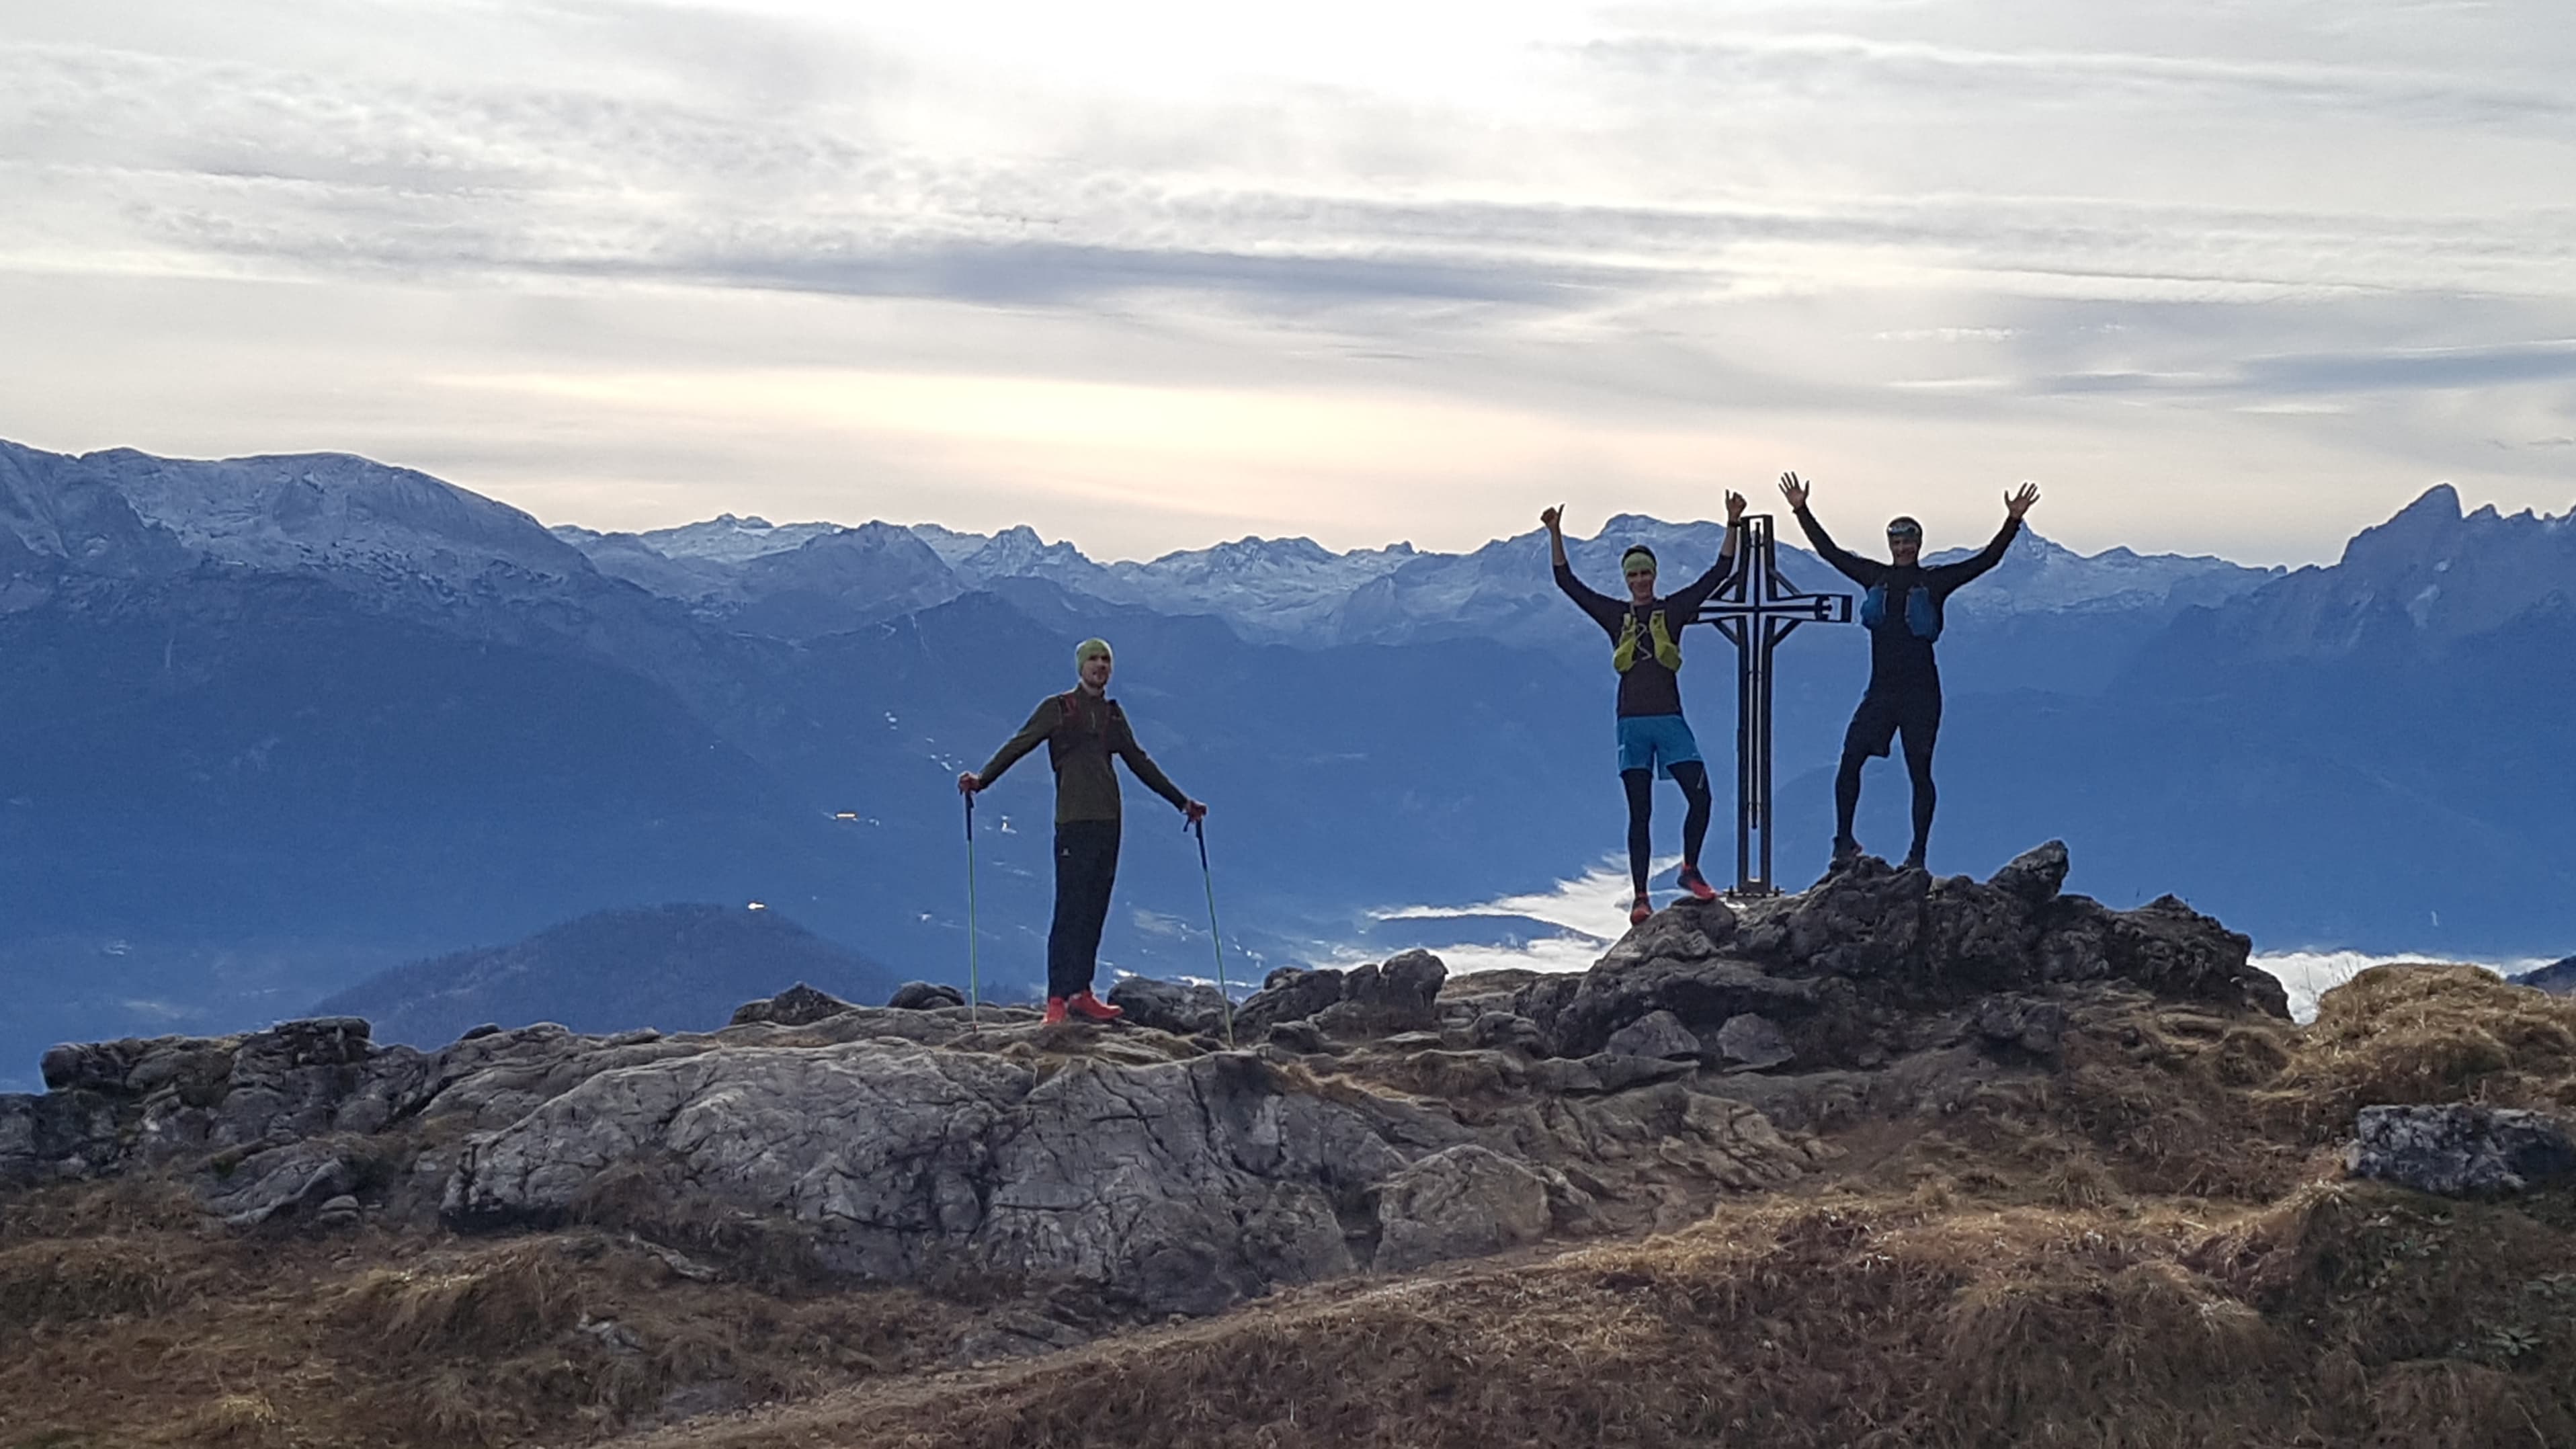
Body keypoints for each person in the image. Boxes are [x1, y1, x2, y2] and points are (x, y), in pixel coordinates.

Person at [1778, 471, 2040, 872]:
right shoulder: (1874, 577)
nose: (1902, 548)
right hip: (1881, 692)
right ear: (1890, 545)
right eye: (1896, 542)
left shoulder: (1934, 582)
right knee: (1850, 760)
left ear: (1919, 545)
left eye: (1908, 542)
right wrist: (1801, 510)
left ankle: (1917, 856)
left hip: (1921, 695)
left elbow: (1986, 560)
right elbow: (1830, 552)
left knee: (1920, 772)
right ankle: (1843, 842)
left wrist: (2013, 521)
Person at [958, 637, 1206, 1025]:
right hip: (1073, 821)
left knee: (1095, 908)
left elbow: (1139, 761)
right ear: (1080, 667)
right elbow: (1020, 744)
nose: (1100, 665)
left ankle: (1081, 992)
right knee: (1070, 910)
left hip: (1109, 822)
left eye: (1105, 659)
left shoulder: (1111, 715)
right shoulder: (1058, 709)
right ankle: (1057, 998)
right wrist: (983, 780)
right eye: (1093, 659)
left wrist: (1182, 802)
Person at [1544, 495, 1745, 925]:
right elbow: (1568, 583)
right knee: (1641, 812)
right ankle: (1641, 897)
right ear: (1626, 578)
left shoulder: (1672, 610)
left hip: (1668, 720)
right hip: (1632, 724)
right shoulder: (1615, 615)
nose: (1640, 580)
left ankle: (1689, 870)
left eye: (1645, 573)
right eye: (1633, 574)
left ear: (1655, 575)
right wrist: (1555, 535)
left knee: (1701, 795)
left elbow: (1718, 573)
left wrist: (1732, 524)